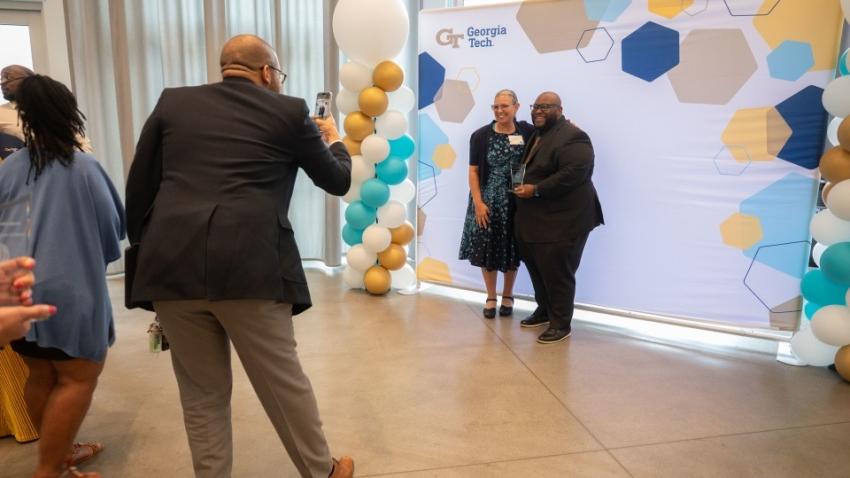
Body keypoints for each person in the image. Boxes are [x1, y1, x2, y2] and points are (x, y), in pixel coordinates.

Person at [125, 34, 354, 478]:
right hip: (251, 267)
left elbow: (140, 186)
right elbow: (338, 181)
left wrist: (147, 250)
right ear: (267, 72)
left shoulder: (173, 103)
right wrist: (337, 139)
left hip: (170, 267)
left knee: (200, 393)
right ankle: (322, 471)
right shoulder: (290, 111)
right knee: (281, 382)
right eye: (278, 73)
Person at [0, 75, 125, 478]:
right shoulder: (85, 167)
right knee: (77, 379)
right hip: (70, 292)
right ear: (69, 112)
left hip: (18, 291)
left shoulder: (10, 167)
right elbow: (112, 231)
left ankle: (58, 453)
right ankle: (50, 469)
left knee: (40, 372)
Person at [513, 91, 604, 344]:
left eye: (545, 106)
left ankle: (561, 324)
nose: (538, 111)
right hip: (535, 220)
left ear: (560, 109)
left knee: (558, 273)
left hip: (565, 221)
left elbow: (574, 172)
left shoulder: (574, 136)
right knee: (538, 270)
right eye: (535, 106)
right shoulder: (537, 135)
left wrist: (536, 189)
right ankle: (544, 311)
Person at [459, 89, 534, 318]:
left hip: (515, 201)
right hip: (487, 201)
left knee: (512, 248)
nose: (500, 111)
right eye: (496, 107)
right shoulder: (481, 135)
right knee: (487, 248)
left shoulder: (526, 131)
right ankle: (491, 296)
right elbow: (473, 171)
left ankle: (508, 295)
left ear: (516, 107)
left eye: (505, 106)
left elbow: (549, 135)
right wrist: (478, 203)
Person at [0, 65, 91, 153]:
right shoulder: (1, 113)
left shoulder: (52, 109)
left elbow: (81, 143)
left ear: (29, 80)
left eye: (7, 78)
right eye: (1, 79)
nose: (2, 83)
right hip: (20, 165)